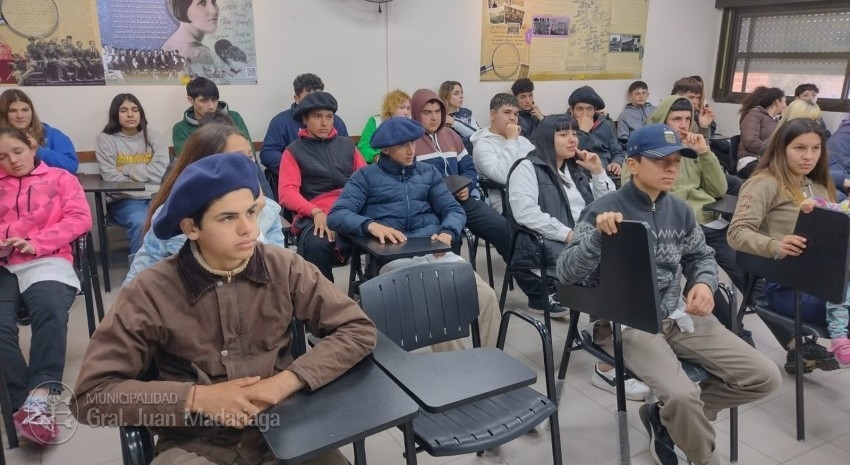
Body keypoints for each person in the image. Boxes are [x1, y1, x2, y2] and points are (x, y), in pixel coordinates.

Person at [74, 153, 374, 465]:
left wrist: (287, 381)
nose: (248, 229)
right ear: (191, 227)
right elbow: (91, 395)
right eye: (228, 218)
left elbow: (357, 329)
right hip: (195, 440)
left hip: (287, 425)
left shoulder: (284, 267)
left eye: (250, 212)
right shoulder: (151, 291)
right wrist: (197, 398)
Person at [559, 123, 781, 465]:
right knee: (681, 395)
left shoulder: (678, 209)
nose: (672, 169)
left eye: (677, 161)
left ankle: (666, 419)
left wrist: (704, 283)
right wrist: (597, 238)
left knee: (764, 377)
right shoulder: (606, 209)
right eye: (662, 161)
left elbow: (700, 256)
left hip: (678, 315)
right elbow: (566, 272)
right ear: (633, 164)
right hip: (627, 321)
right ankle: (703, 456)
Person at [507, 114, 650, 399]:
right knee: (611, 277)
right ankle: (606, 366)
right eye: (564, 135)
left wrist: (598, 172)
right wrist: (568, 234)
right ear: (547, 139)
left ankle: (627, 345)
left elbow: (611, 203)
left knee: (639, 267)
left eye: (574, 133)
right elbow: (525, 213)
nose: (573, 139)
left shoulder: (576, 169)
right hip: (551, 247)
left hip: (586, 242)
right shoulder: (527, 167)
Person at [327, 116, 500, 349]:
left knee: (486, 296)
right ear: (386, 149)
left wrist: (448, 232)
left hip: (434, 249)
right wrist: (370, 225)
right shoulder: (366, 177)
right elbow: (337, 214)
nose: (411, 150)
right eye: (402, 145)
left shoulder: (427, 173)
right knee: (441, 301)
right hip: (394, 258)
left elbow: (453, 209)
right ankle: (452, 375)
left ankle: (490, 361)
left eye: (413, 143)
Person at [410, 88, 558, 315]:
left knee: (505, 231)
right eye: (426, 112)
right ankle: (449, 301)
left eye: (437, 111)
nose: (433, 117)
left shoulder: (451, 136)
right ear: (415, 113)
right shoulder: (410, 142)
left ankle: (537, 294)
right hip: (432, 207)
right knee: (451, 241)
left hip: (463, 201)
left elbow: (469, 168)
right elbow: (411, 182)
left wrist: (466, 186)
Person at [728, 118, 844, 373]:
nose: (809, 156)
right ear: (782, 148)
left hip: (828, 282)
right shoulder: (764, 182)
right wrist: (776, 245)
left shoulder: (820, 186)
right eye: (799, 148)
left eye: (816, 149)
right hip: (788, 287)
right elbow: (737, 233)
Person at [0, 127, 91, 445]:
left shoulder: (60, 179)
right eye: (1, 157)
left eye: (17, 151)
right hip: (3, 264)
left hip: (46, 258)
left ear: (32, 145)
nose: (11, 161)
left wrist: (34, 242)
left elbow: (80, 219)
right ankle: (21, 402)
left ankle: (39, 396)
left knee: (51, 309)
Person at [124, 123, 285, 285]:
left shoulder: (268, 209)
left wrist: (254, 216)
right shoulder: (177, 214)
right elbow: (136, 284)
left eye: (250, 157)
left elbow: (276, 275)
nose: (247, 166)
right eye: (235, 159)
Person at [278, 92, 364, 281]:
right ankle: (325, 302)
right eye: (317, 117)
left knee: (388, 229)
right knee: (317, 243)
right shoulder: (293, 151)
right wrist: (315, 212)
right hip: (315, 212)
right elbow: (287, 192)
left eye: (329, 116)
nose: (325, 123)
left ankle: (379, 294)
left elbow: (365, 180)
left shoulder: (347, 145)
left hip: (351, 209)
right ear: (305, 119)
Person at [95, 94, 169, 254]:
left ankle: (169, 269)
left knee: (179, 217)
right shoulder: (105, 140)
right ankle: (140, 273)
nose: (130, 114)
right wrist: (146, 178)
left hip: (157, 196)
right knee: (141, 223)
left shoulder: (154, 136)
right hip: (125, 200)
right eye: (124, 110)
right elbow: (111, 177)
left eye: (135, 110)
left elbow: (159, 172)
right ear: (116, 114)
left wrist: (127, 169)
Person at [260, 73, 348, 172]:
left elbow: (346, 152)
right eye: (308, 97)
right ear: (297, 99)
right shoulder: (280, 121)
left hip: (330, 176)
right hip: (293, 175)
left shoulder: (336, 121)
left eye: (318, 96)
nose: (314, 101)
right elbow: (267, 154)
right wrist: (296, 164)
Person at [798, 196, 850, 364]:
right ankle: (839, 338)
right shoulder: (847, 206)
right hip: (841, 269)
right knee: (839, 298)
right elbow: (833, 209)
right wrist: (817, 203)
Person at [470, 93, 534, 214]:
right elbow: (503, 176)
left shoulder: (522, 141)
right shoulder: (482, 145)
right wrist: (511, 140)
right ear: (492, 115)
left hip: (534, 195)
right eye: (507, 112)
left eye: (516, 114)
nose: (512, 118)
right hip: (507, 204)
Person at [172, 76, 252, 158]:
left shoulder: (234, 117)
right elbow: (187, 161)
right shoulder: (180, 129)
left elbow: (249, 152)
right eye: (204, 100)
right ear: (191, 100)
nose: (211, 106)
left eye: (214, 100)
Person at [0, 89, 77, 173]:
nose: (20, 115)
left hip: (47, 184)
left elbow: (71, 167)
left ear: (32, 111)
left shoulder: (52, 134)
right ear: (3, 114)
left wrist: (38, 151)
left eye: (25, 110)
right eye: (12, 111)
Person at [567, 86, 624, 176]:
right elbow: (569, 156)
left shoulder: (605, 124)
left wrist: (617, 162)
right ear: (571, 110)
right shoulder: (565, 127)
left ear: (595, 110)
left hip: (606, 173)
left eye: (589, 109)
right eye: (579, 109)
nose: (585, 114)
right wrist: (583, 132)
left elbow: (617, 151)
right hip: (579, 176)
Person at [737, 86, 786, 178]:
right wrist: (775, 149)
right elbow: (751, 142)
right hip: (751, 160)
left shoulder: (776, 120)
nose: (785, 105)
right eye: (784, 101)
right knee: (780, 175)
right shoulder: (754, 114)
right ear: (777, 102)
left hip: (770, 160)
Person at [161, 0, 219, 70]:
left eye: (214, 2)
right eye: (202, 3)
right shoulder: (200, 54)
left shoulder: (172, 42)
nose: (214, 10)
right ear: (182, 8)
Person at [356, 89, 411, 163]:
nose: (406, 112)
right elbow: (364, 147)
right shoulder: (375, 122)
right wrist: (375, 157)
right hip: (378, 164)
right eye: (402, 107)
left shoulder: (411, 125)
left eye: (408, 108)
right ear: (390, 108)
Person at [439, 80, 480, 153]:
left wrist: (454, 122)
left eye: (461, 92)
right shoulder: (438, 115)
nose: (461, 96)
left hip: (469, 154)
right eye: (456, 93)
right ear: (446, 96)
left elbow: (478, 135)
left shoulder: (466, 113)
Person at [617, 80, 657, 147]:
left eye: (644, 93)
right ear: (630, 96)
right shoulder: (624, 116)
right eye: (637, 94)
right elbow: (622, 141)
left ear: (647, 95)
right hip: (637, 148)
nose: (641, 96)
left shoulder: (656, 110)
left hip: (657, 145)